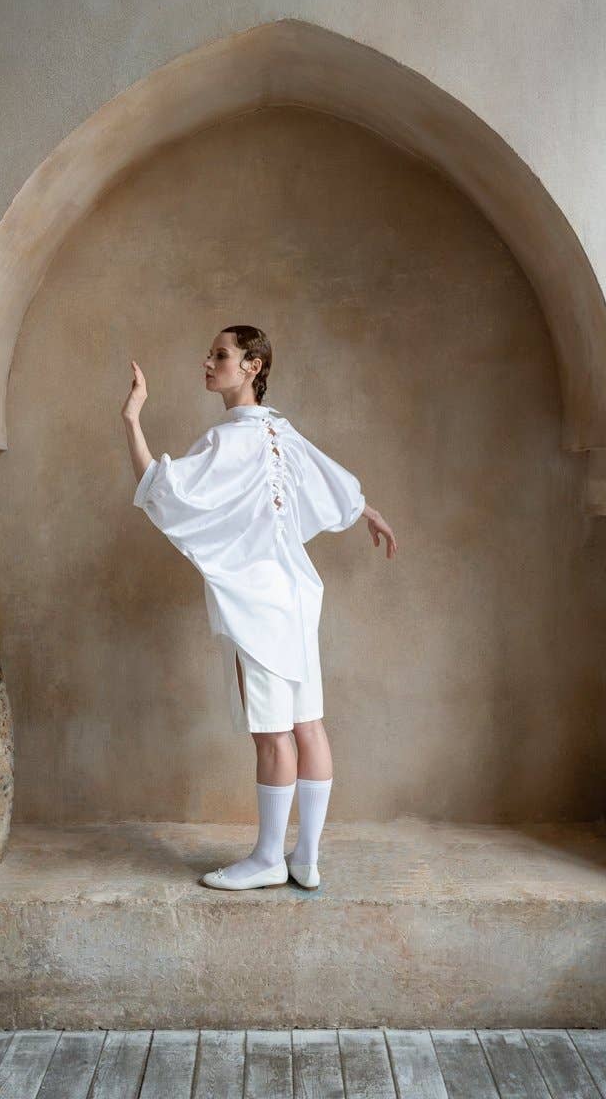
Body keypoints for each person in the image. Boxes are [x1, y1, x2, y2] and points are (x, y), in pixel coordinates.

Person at [122, 325, 397, 891]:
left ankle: (270, 857)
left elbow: (163, 488)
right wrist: (365, 509)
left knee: (273, 732)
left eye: (220, 355)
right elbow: (332, 480)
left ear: (253, 365)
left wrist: (131, 420)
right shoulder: (279, 431)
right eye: (210, 353)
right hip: (297, 594)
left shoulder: (230, 440)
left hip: (259, 602)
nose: (208, 361)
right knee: (309, 724)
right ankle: (307, 858)